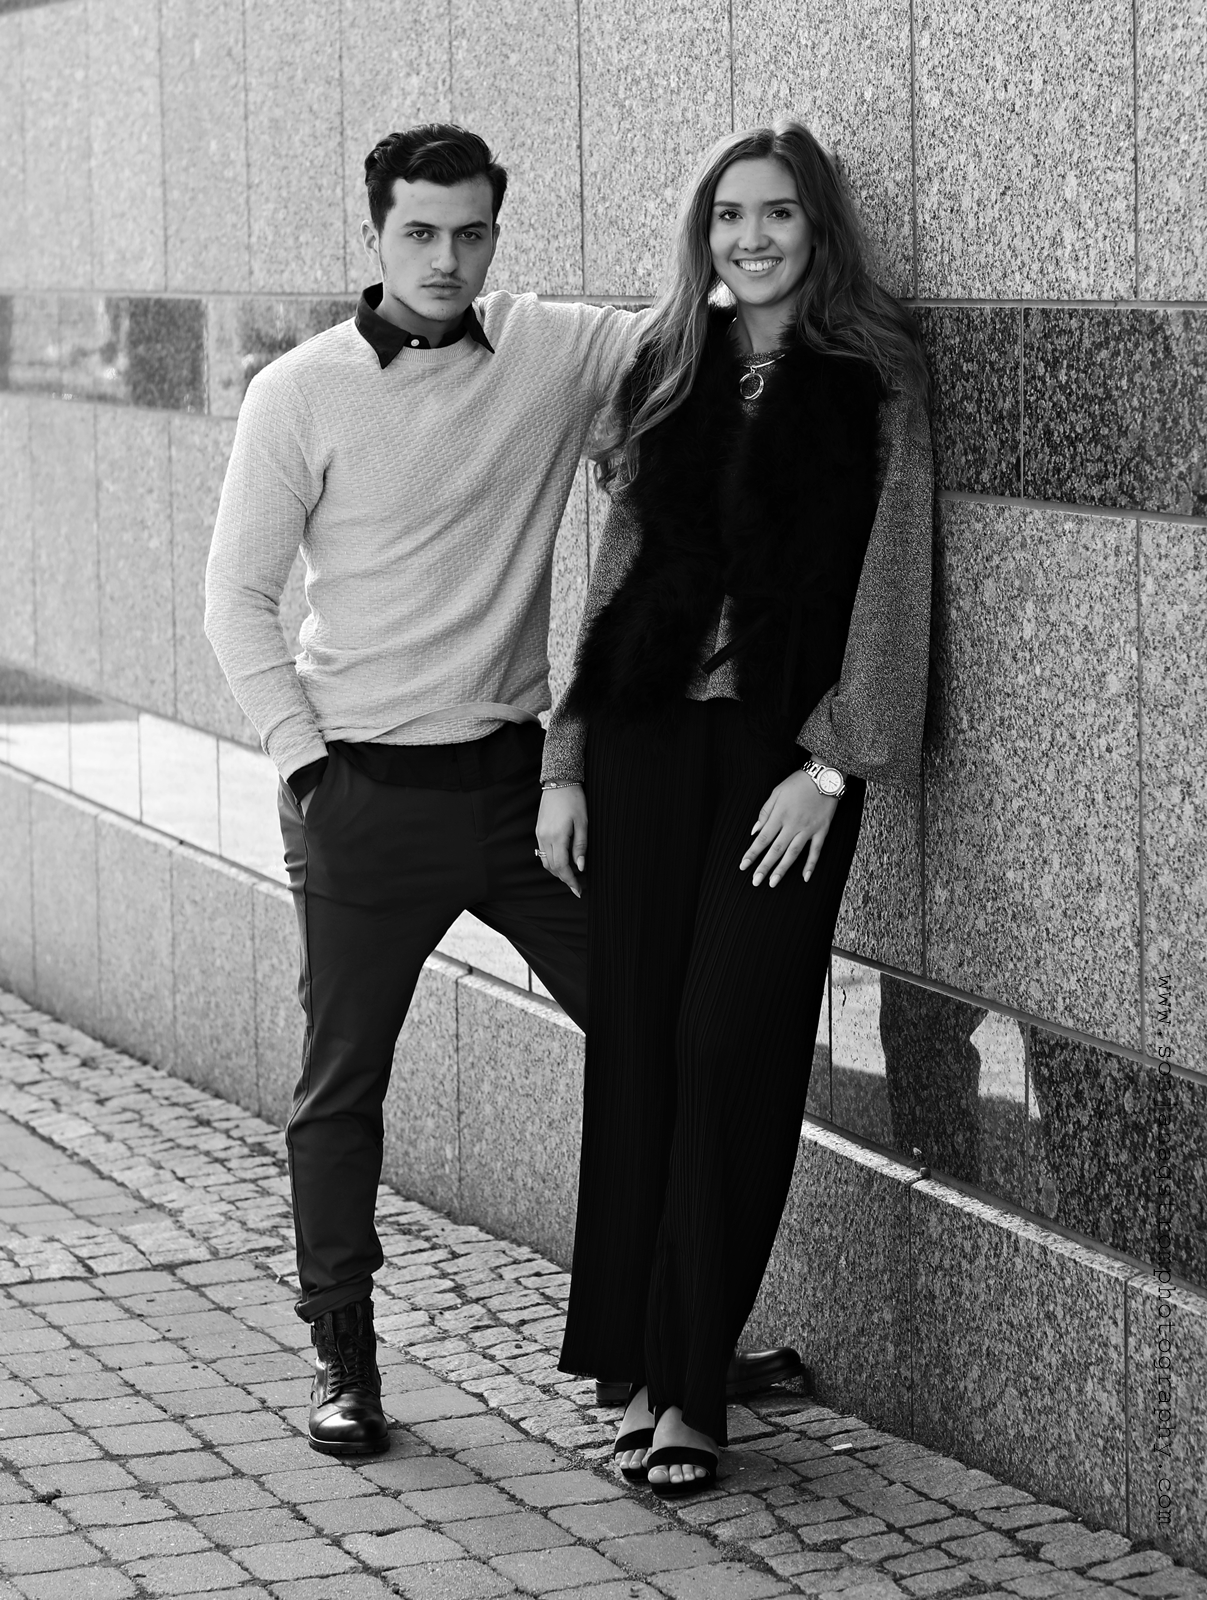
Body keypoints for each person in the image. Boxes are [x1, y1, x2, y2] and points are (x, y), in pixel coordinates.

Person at [205, 122, 796, 1458]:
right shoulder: (298, 392)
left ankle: (677, 1340)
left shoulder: (548, 349)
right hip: (361, 795)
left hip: (525, 793)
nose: (445, 259)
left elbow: (700, 316)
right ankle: (344, 1356)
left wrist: (769, 261)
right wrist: (305, 763)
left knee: (663, 1033)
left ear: (494, 237)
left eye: (470, 233)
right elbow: (235, 599)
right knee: (341, 1087)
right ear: (374, 234)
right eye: (419, 232)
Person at [536, 118, 933, 1497]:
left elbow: (894, 579)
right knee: (641, 1056)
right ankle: (653, 1377)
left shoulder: (875, 377)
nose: (750, 238)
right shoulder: (671, 368)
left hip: (783, 756)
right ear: (702, 235)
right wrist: (566, 764)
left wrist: (832, 767)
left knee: (728, 1051)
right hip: (645, 746)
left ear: (818, 227)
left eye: (775, 214)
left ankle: (694, 1389)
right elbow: (614, 573)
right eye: (727, 217)